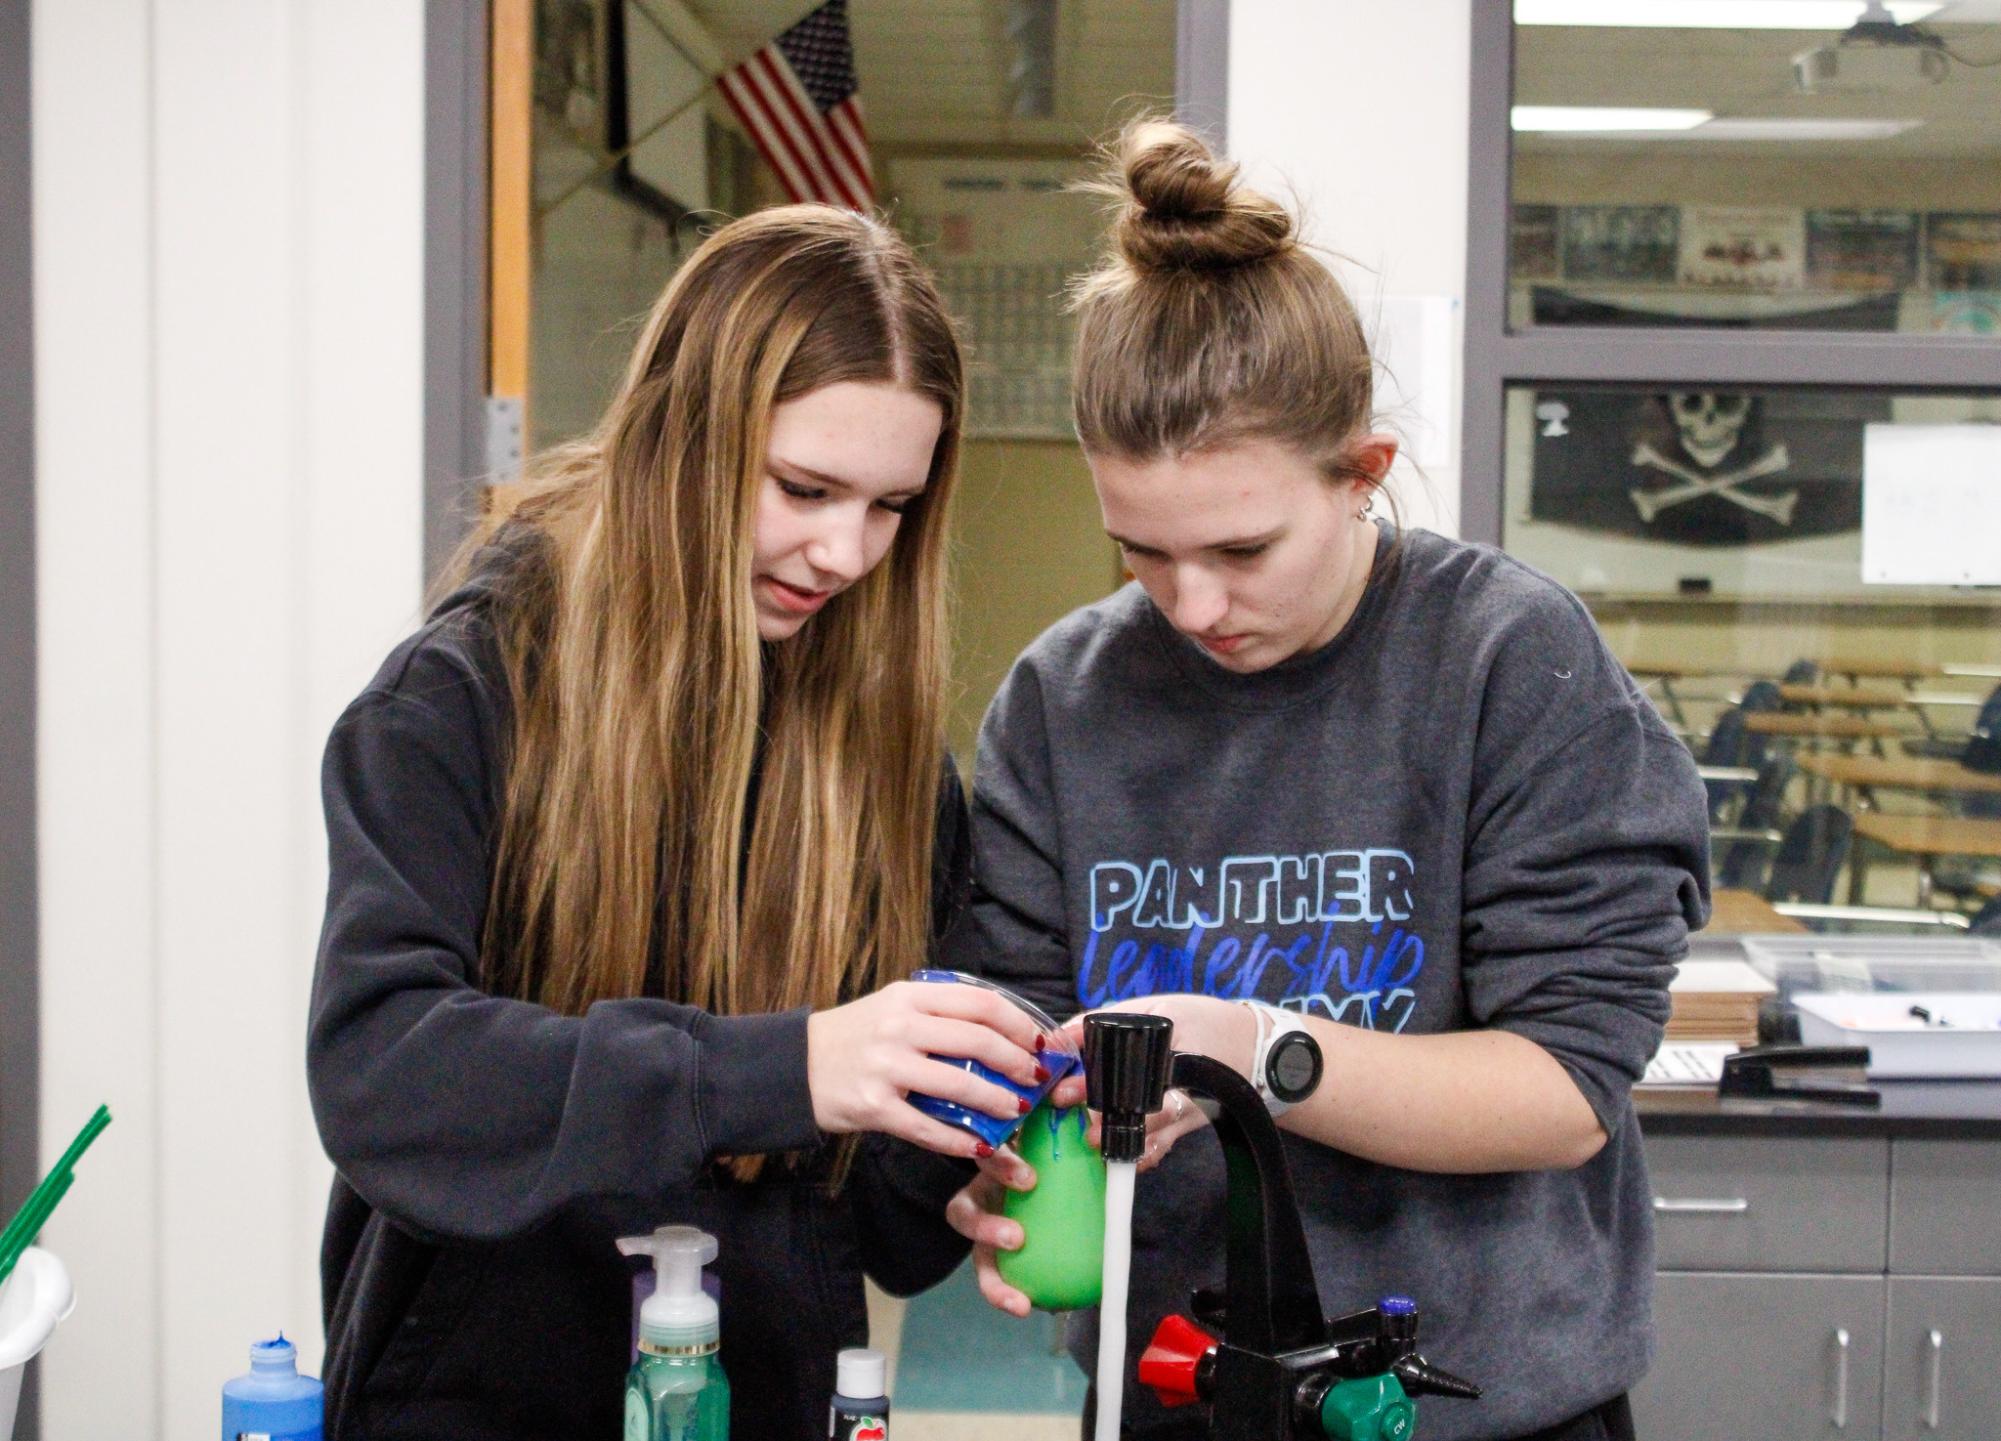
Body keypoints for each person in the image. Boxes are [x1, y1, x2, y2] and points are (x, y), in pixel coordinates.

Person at [942, 121, 1710, 1441]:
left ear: (1363, 473)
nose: (1190, 604)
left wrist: (1255, 1054)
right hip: (1177, 1398)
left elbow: (1565, 1092)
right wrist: (995, 1154)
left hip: (1483, 1404)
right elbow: (1014, 1037)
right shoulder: (1061, 702)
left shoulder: (1506, 662)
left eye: (1241, 547)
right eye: (1140, 552)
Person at [307, 205, 1044, 1440]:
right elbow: (386, 1072)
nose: (844, 552)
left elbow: (888, 1232)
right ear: (682, 436)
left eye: (889, 506)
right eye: (805, 487)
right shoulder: (462, 694)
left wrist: (981, 1150)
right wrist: (787, 1067)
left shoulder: (888, 765)